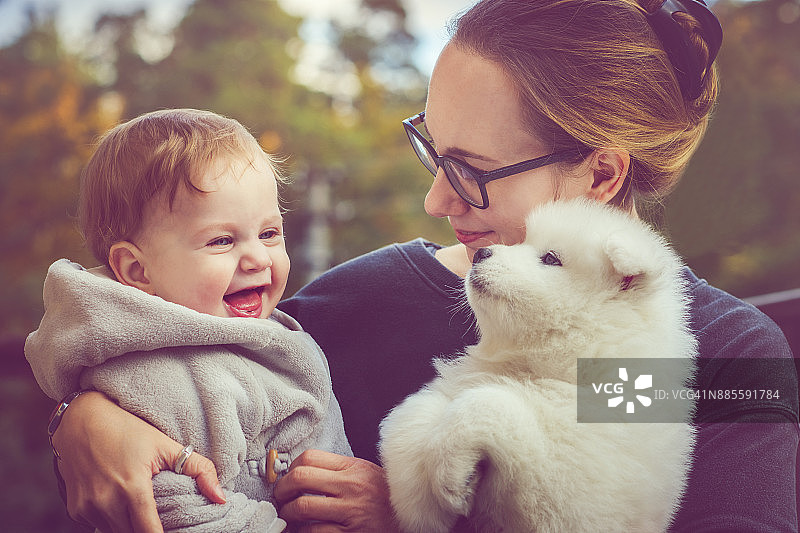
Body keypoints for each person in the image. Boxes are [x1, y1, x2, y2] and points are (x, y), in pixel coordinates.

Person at [35, 0, 799, 531]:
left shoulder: (722, 362)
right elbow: (200, 374)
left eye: (471, 169)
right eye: (434, 149)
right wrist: (86, 416)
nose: (436, 198)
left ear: (601, 174)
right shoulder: (357, 305)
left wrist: (414, 518)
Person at [25, 108, 351, 532]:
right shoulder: (150, 377)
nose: (258, 258)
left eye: (269, 233)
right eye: (222, 240)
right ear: (138, 271)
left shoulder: (283, 343)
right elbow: (170, 510)